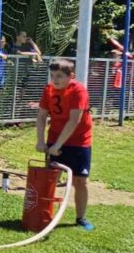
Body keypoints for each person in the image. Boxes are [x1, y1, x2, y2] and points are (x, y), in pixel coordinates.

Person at [36, 58, 94, 231]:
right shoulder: (48, 90)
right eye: (52, 75)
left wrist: (58, 145)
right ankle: (43, 215)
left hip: (79, 141)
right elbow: (41, 116)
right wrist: (40, 141)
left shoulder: (78, 90)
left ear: (71, 76)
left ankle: (81, 218)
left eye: (59, 76)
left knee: (80, 181)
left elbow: (74, 120)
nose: (55, 79)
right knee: (50, 178)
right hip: (55, 137)